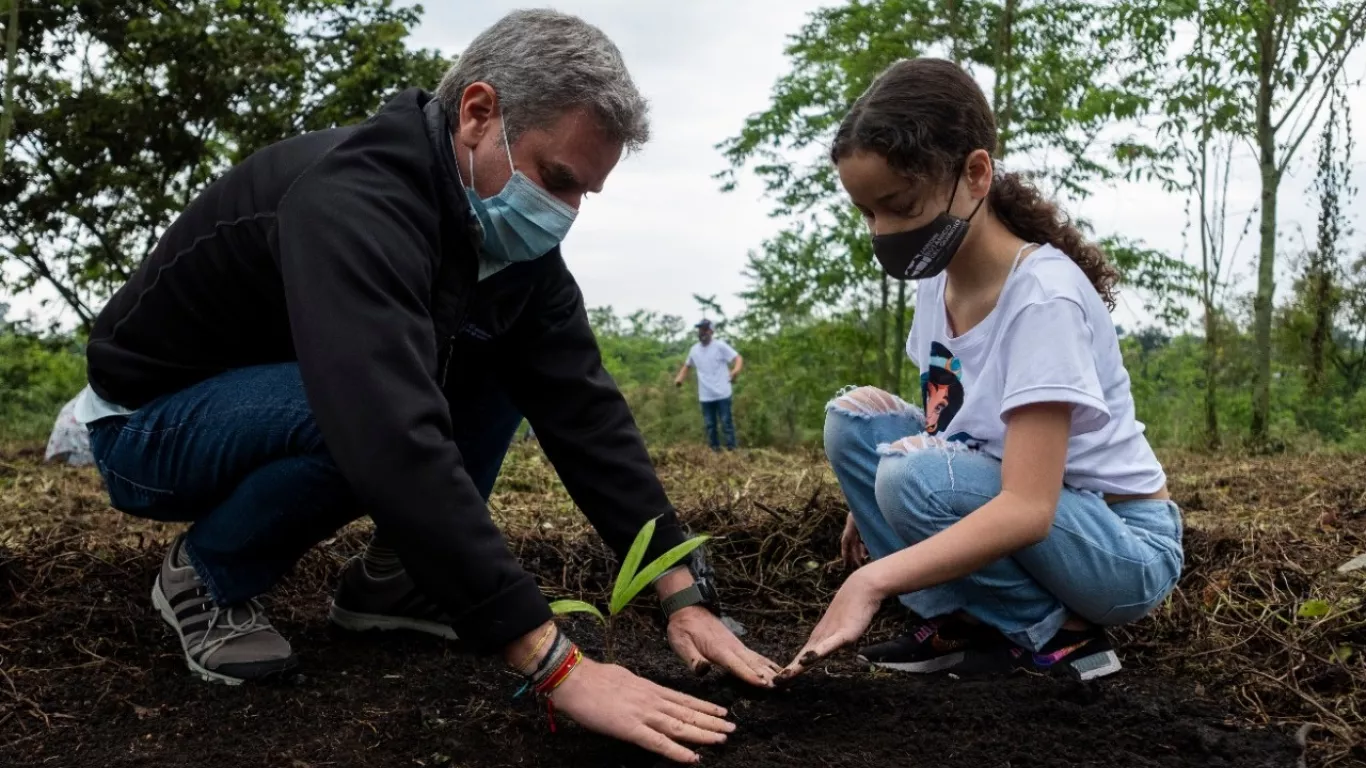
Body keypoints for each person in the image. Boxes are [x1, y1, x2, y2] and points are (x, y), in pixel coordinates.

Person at [72, 10, 779, 764]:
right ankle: (207, 577)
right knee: (353, 411)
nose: (564, 216)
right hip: (151, 426)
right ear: (479, 113)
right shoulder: (353, 201)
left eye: (585, 196)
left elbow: (582, 407)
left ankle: (398, 581)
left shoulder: (502, 244)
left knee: (501, 355)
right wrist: (557, 664)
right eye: (557, 179)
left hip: (291, 399)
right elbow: (384, 428)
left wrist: (682, 594)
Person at [780, 58, 1183, 683]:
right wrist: (874, 496)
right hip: (1039, 515)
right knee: (853, 424)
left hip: (1118, 547)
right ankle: (961, 623)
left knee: (912, 475)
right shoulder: (936, 277)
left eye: (901, 205)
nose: (883, 231)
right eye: (868, 213)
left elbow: (1028, 506)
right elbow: (950, 415)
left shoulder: (1042, 297)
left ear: (975, 173)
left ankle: (1058, 637)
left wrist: (874, 578)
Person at [674, 319, 743, 451]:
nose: (702, 332)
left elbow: (738, 358)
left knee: (726, 423)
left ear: (711, 331)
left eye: (705, 329)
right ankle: (715, 452)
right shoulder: (694, 350)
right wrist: (680, 379)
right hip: (706, 395)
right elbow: (687, 365)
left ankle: (732, 451)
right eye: (700, 330)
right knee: (710, 425)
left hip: (723, 392)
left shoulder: (720, 346)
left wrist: (735, 371)